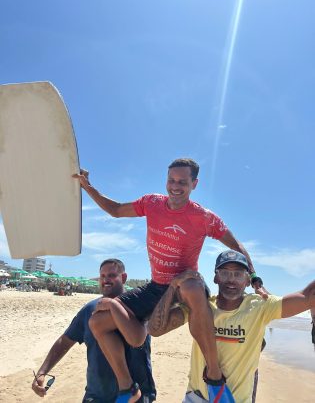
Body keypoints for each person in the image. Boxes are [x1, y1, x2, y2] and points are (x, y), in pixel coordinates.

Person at [73, 158, 267, 402]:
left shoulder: (204, 217)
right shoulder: (151, 203)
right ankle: (128, 388)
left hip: (186, 288)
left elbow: (236, 245)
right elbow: (115, 210)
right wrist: (87, 186)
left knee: (191, 284)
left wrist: (255, 278)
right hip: (157, 287)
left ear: (194, 184)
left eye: (182, 182)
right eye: (171, 180)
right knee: (98, 322)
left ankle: (214, 376)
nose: (175, 186)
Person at [147, 250, 315, 403]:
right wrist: (172, 286)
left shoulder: (261, 306)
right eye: (225, 273)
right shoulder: (201, 307)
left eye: (238, 274)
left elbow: (308, 297)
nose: (231, 279)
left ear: (248, 280)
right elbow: (155, 330)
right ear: (216, 278)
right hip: (197, 398)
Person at [31, 258, 156, 403]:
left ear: (124, 278)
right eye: (102, 276)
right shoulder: (90, 310)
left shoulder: (139, 306)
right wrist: (42, 372)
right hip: (97, 395)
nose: (106, 280)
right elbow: (65, 341)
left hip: (137, 396)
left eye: (111, 275)